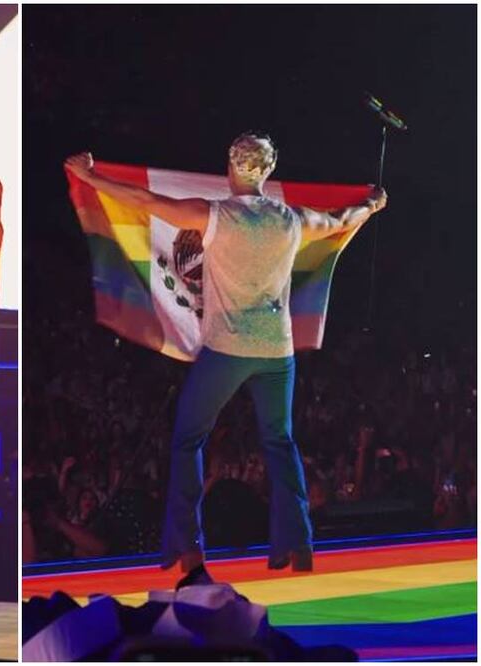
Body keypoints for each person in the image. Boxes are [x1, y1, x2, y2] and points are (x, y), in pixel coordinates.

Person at [65, 133, 387, 575]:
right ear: (268, 172)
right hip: (276, 351)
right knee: (280, 441)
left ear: (230, 168)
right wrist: (370, 205)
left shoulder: (215, 215)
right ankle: (298, 543)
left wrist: (91, 176)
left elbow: (144, 201)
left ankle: (189, 546)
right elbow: (338, 221)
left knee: (189, 438)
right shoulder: (290, 219)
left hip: (228, 350)